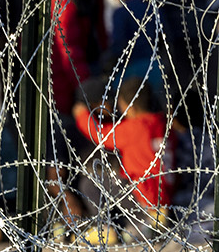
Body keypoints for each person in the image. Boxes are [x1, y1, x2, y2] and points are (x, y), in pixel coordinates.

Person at [71, 76, 172, 235]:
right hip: (164, 195)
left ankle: (105, 231)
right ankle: (153, 221)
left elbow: (101, 135)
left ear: (128, 107)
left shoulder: (134, 128)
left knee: (90, 182)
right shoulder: (160, 123)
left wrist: (82, 116)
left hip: (143, 195)